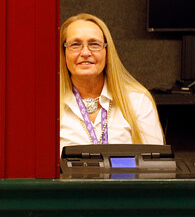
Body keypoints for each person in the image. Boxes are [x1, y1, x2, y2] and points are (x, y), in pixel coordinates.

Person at [60, 13, 164, 152]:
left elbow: (155, 166)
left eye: (94, 44)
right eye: (75, 44)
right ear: (64, 52)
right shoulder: (46, 106)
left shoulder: (137, 101)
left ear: (107, 51)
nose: (85, 52)